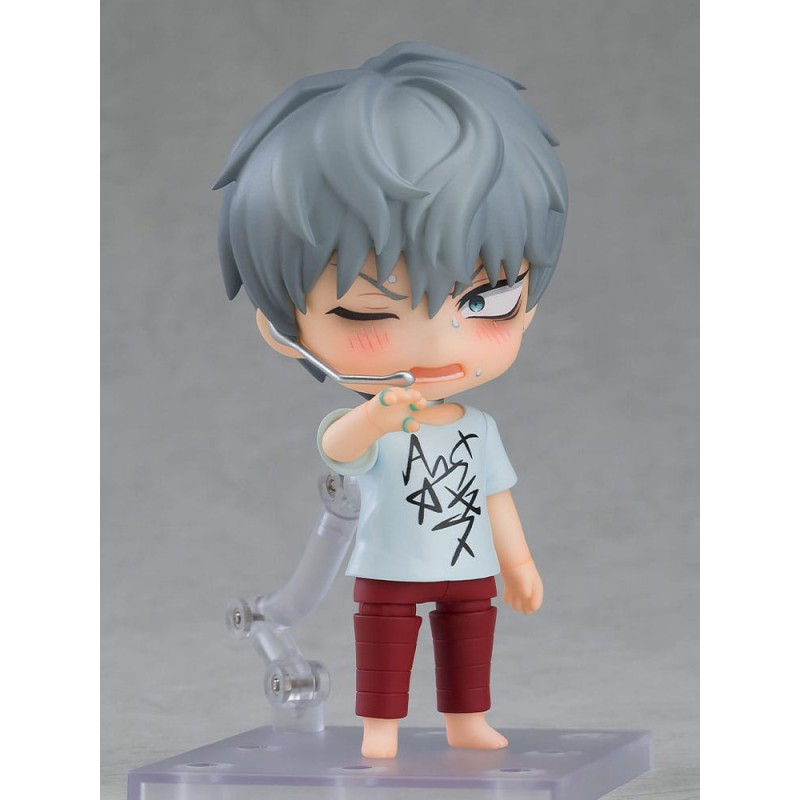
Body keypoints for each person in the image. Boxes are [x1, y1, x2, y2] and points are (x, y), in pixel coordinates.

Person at [214, 42, 568, 759]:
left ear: (528, 307)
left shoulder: (477, 425)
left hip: (469, 567)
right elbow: (338, 449)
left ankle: (467, 720)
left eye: (486, 300)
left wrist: (520, 563)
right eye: (368, 312)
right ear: (284, 330)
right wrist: (374, 416)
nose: (437, 343)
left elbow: (497, 496)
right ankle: (382, 729)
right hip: (388, 566)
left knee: (469, 638)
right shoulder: (371, 422)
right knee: (385, 644)